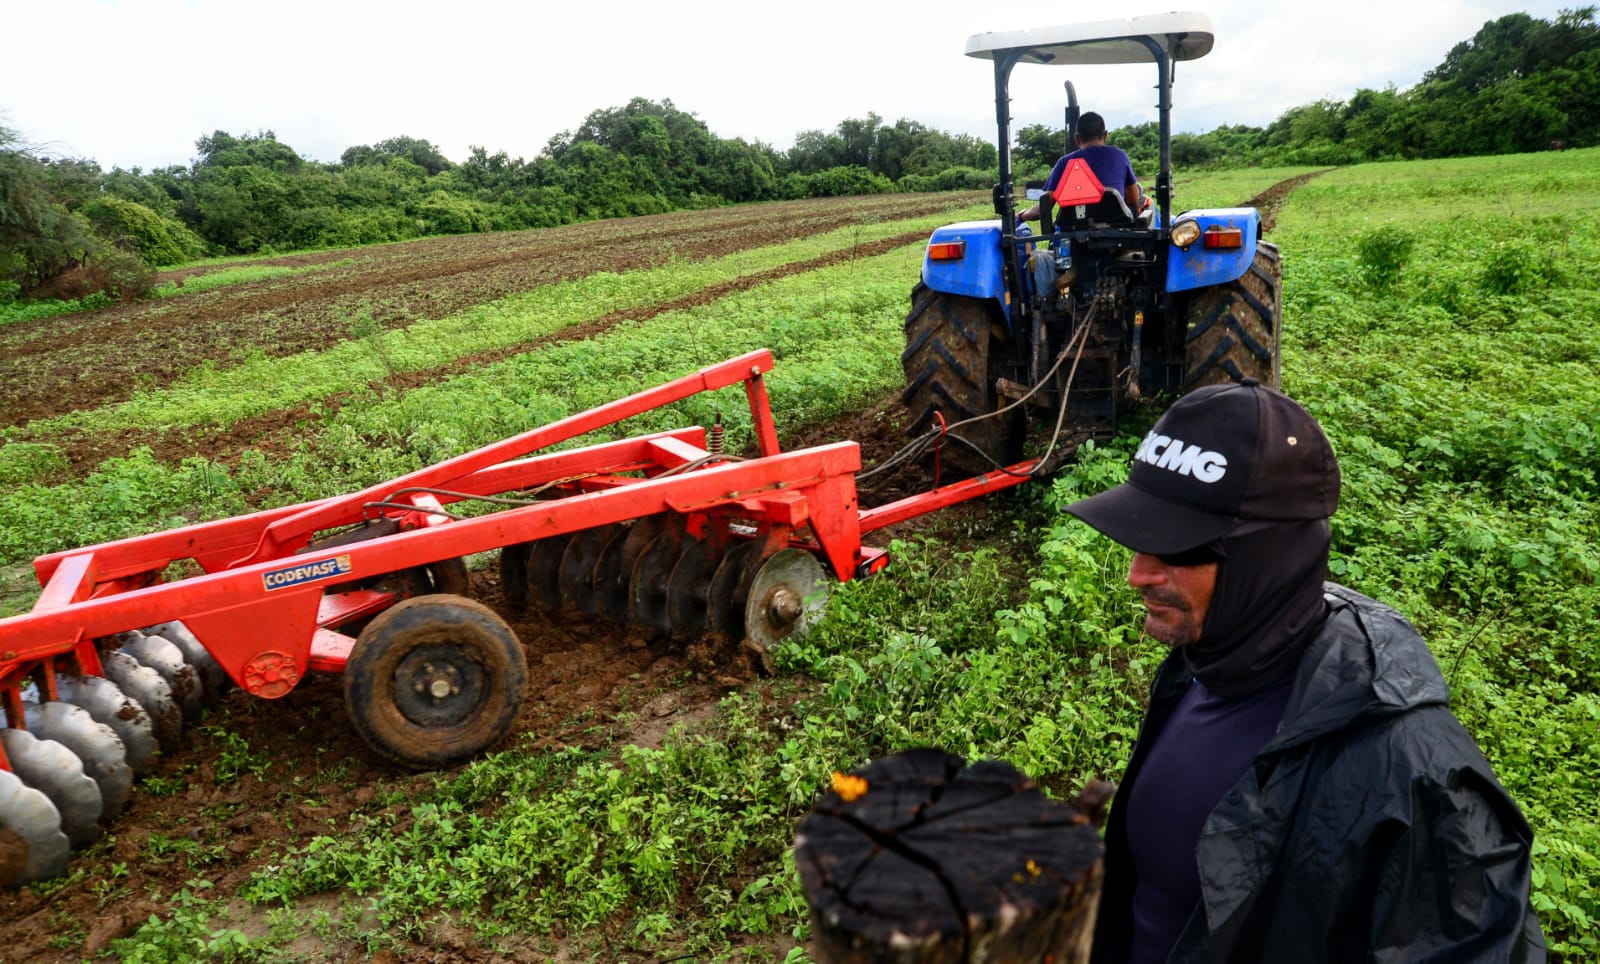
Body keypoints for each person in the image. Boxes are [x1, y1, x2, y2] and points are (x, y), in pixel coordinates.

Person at [1063, 379, 1545, 963]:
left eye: (1177, 547)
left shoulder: (1407, 765)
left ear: (1264, 560)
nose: (1138, 573)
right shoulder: (1199, 666)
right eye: (1141, 539)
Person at [1021, 111, 1145, 225]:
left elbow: (1044, 208)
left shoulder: (1064, 162)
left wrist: (1021, 216)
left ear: (1076, 139)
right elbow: (1132, 200)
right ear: (1105, 135)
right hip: (1116, 233)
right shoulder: (1119, 156)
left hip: (1074, 235)